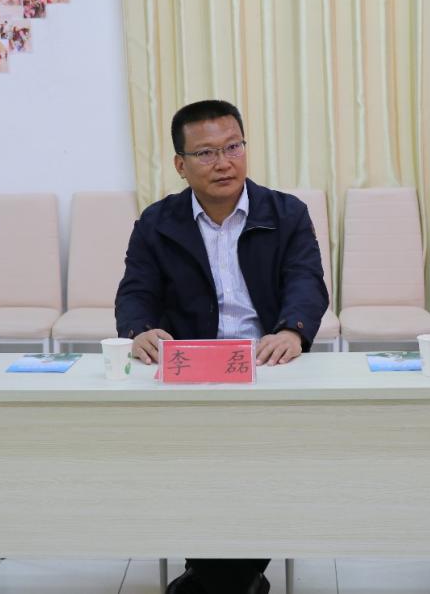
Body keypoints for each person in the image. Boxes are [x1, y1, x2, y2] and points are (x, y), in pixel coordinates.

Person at [115, 99, 329, 594]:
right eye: (206, 153)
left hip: (268, 365)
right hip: (193, 374)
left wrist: (292, 331)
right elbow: (135, 292)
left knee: (261, 466)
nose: (224, 162)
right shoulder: (157, 222)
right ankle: (236, 577)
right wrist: (140, 329)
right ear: (180, 164)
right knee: (193, 469)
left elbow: (307, 281)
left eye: (233, 147)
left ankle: (215, 578)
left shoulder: (286, 213)